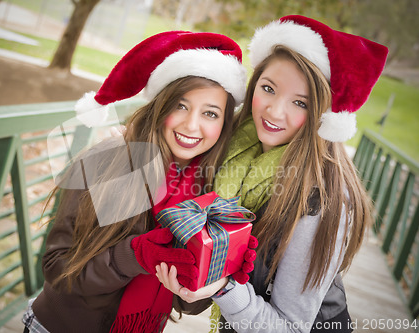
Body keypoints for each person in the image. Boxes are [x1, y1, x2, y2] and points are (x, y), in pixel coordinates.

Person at [156, 15, 388, 333]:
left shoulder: (323, 199)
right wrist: (136, 141)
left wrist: (222, 288)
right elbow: (184, 143)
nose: (275, 112)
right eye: (268, 88)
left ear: (324, 115)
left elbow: (291, 327)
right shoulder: (238, 145)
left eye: (300, 103)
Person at [22, 30, 253, 333]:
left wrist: (216, 269)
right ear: (161, 104)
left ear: (224, 124)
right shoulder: (109, 159)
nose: (192, 124)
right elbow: (57, 270)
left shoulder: (210, 190)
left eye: (210, 113)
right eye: (181, 106)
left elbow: (188, 304)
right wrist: (135, 256)